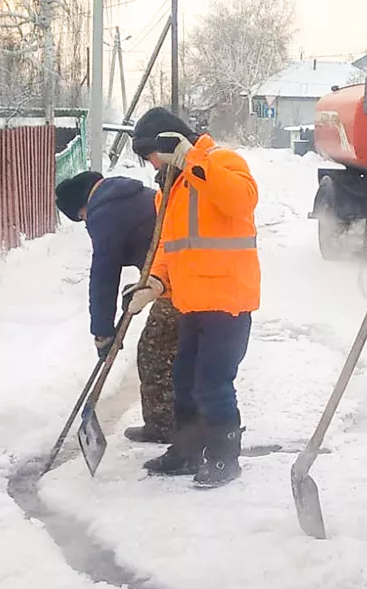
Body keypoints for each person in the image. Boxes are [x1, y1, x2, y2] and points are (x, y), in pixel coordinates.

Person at [120, 107, 261, 489]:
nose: (150, 163)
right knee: (184, 379)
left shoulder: (221, 161)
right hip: (192, 302)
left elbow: (241, 201)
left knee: (213, 382)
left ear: (169, 141)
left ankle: (224, 457)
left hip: (228, 299)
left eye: (151, 152)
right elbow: (169, 248)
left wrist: (194, 158)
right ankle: (187, 450)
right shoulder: (170, 190)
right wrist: (152, 284)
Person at [55, 170, 179, 444]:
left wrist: (102, 332)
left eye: (82, 218)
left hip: (181, 282)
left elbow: (104, 274)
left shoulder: (105, 213)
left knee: (154, 352)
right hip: (176, 276)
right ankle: (175, 423)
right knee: (170, 350)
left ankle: (166, 426)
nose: (86, 223)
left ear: (82, 207)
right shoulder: (125, 196)